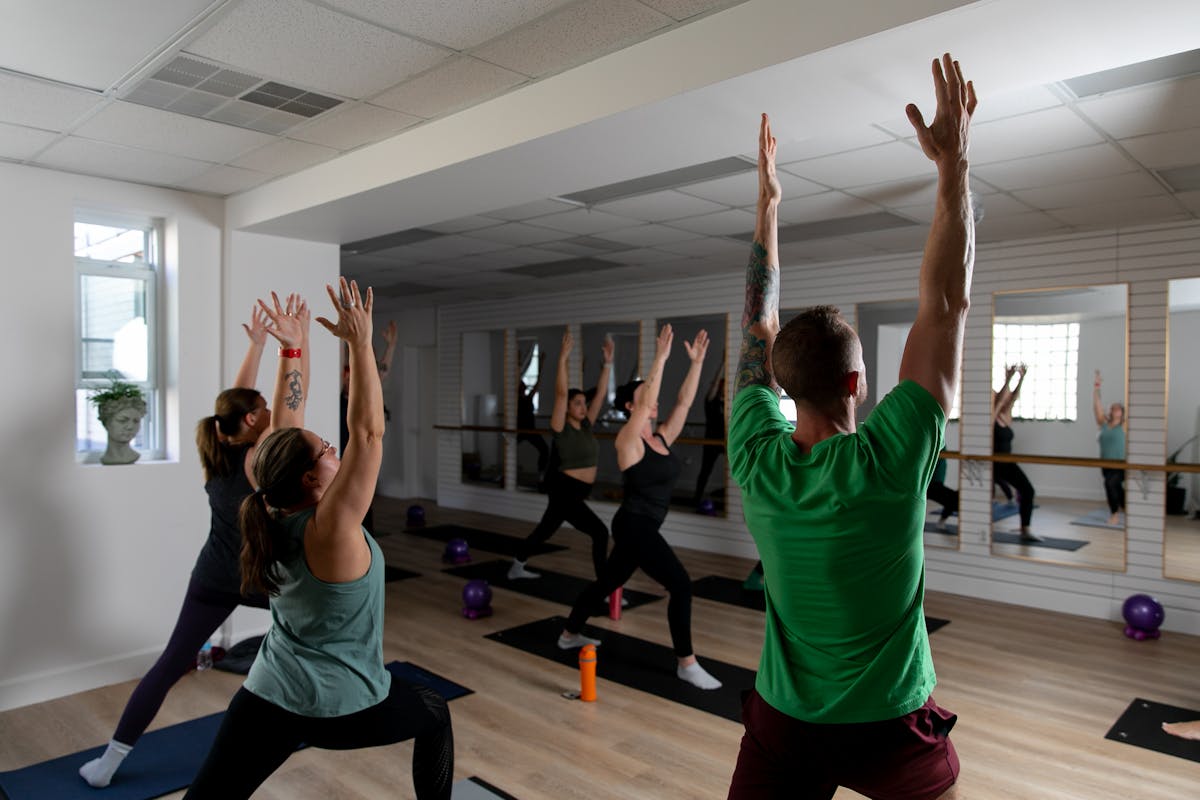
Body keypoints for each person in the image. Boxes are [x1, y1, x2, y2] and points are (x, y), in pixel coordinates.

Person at [726, 55, 976, 798]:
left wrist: (769, 206)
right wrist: (953, 167)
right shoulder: (892, 458)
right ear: (858, 384)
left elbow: (756, 322)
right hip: (889, 727)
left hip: (785, 726)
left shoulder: (754, 454)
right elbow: (945, 304)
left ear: (781, 385)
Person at [184, 279, 453, 799]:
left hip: (268, 692)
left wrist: (293, 348)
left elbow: (288, 425)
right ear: (311, 478)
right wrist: (360, 341)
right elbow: (369, 434)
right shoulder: (331, 531)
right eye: (329, 448)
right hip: (339, 707)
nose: (336, 446)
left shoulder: (267, 505)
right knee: (434, 711)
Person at [80, 300, 306, 788]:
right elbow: (282, 410)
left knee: (169, 664)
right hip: (264, 580)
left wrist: (256, 345)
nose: (267, 407)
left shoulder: (217, 454)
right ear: (250, 423)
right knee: (315, 637)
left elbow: (235, 403)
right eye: (260, 409)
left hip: (213, 576)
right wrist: (292, 347)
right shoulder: (260, 461)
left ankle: (108, 763)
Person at [558, 323, 723, 691]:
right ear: (632, 406)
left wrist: (696, 364)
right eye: (645, 397)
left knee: (609, 580)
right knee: (680, 584)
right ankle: (686, 662)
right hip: (634, 525)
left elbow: (683, 402)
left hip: (643, 526)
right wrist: (661, 358)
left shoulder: (662, 436)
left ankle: (569, 633)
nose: (653, 401)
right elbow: (650, 400)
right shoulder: (628, 440)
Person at [509, 329, 613, 580]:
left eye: (582, 403)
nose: (582, 406)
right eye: (577, 403)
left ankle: (516, 566)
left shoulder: (587, 424)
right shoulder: (560, 428)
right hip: (566, 491)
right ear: (566, 408)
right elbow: (560, 394)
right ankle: (605, 588)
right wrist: (562, 360)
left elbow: (599, 395)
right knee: (600, 533)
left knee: (545, 531)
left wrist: (608, 364)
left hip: (573, 491)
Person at [339, 318, 397, 534]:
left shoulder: (366, 389)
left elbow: (381, 373)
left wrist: (391, 346)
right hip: (342, 452)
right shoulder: (345, 378)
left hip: (360, 454)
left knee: (363, 503)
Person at [994, 363, 1040, 541]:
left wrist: (1022, 378)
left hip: (1007, 462)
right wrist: (1008, 379)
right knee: (1026, 490)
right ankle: (1025, 528)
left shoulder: (1007, 415)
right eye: (1004, 395)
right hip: (995, 463)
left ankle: (1025, 528)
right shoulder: (992, 415)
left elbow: (1013, 398)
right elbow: (1000, 400)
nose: (1007, 397)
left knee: (1028, 491)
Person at [1093, 369, 1126, 525]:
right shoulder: (1104, 424)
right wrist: (1097, 386)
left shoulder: (1125, 426)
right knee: (1116, 488)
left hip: (1120, 464)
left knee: (1110, 484)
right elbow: (1097, 406)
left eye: (1118, 408)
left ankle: (1114, 514)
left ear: (1122, 412)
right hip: (1105, 464)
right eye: (1113, 407)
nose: (1115, 409)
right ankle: (1125, 507)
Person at [693, 368, 727, 509]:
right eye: (722, 387)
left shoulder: (729, 405)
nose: (724, 389)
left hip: (725, 443)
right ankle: (696, 499)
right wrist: (722, 364)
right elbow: (713, 387)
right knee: (705, 472)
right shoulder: (711, 402)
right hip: (711, 443)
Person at [516, 346, 550, 480]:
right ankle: (507, 472)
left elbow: (538, 383)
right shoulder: (516, 399)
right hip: (520, 431)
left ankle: (541, 474)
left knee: (544, 450)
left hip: (530, 430)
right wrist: (518, 362)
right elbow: (516, 379)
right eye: (521, 385)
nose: (523, 386)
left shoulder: (528, 397)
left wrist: (541, 364)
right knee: (508, 448)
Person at [97, 394, 148, 465]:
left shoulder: (134, 456)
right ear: (106, 423)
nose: (130, 427)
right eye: (122, 420)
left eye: (136, 421)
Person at [927, 455, 959, 531]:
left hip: (935, 482)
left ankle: (941, 521)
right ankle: (941, 521)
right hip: (932, 483)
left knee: (954, 500)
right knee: (954, 500)